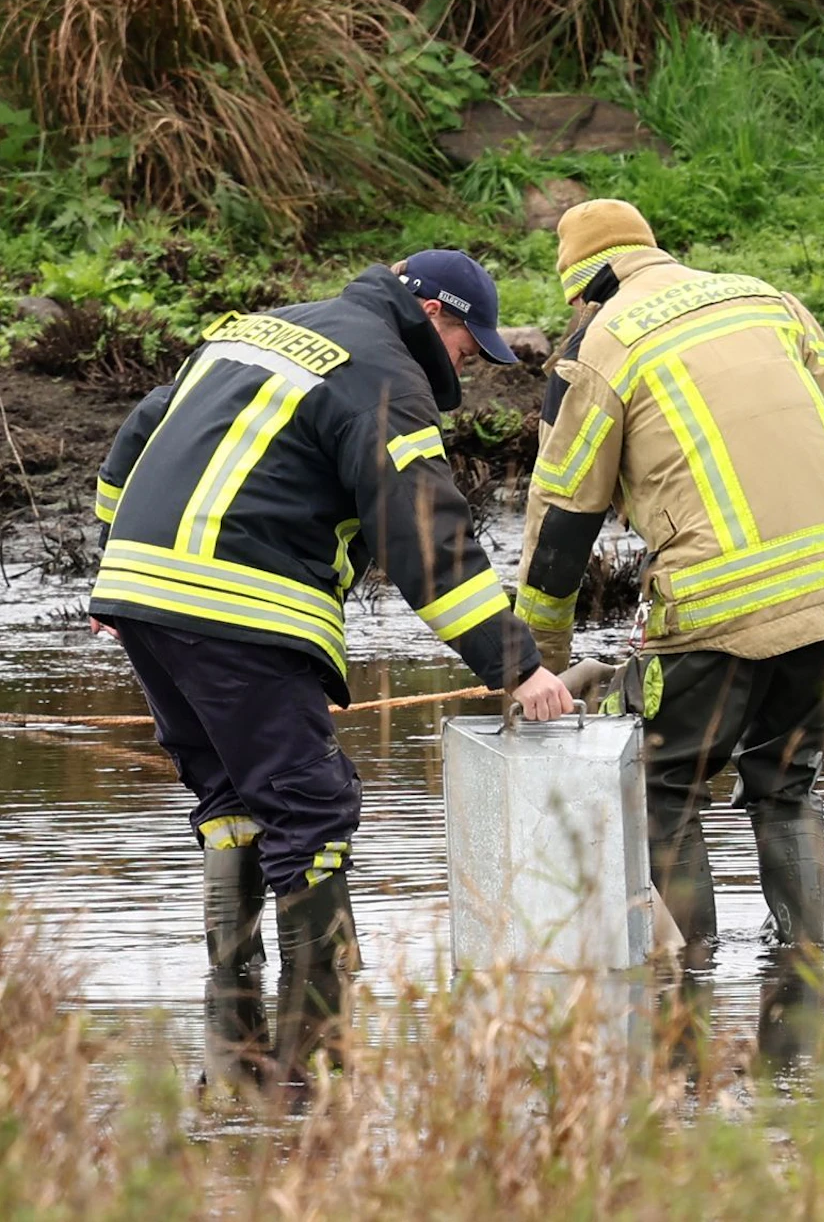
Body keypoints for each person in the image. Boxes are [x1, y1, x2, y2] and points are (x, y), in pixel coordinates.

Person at [88, 249, 575, 1085]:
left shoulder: (272, 325)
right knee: (311, 809)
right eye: (469, 345)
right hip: (240, 606)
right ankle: (318, 1040)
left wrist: (115, 563)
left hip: (141, 591)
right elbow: (422, 537)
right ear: (434, 315)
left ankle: (234, 1040)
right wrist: (519, 668)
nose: (470, 365)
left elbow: (145, 425)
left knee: (232, 800)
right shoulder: (382, 373)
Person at [514, 199, 824, 953]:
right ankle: (801, 967)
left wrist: (543, 664)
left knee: (664, 788)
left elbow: (560, 531)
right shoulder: (767, 299)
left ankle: (696, 982)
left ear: (582, 292)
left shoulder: (600, 346)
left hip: (714, 601)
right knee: (786, 781)